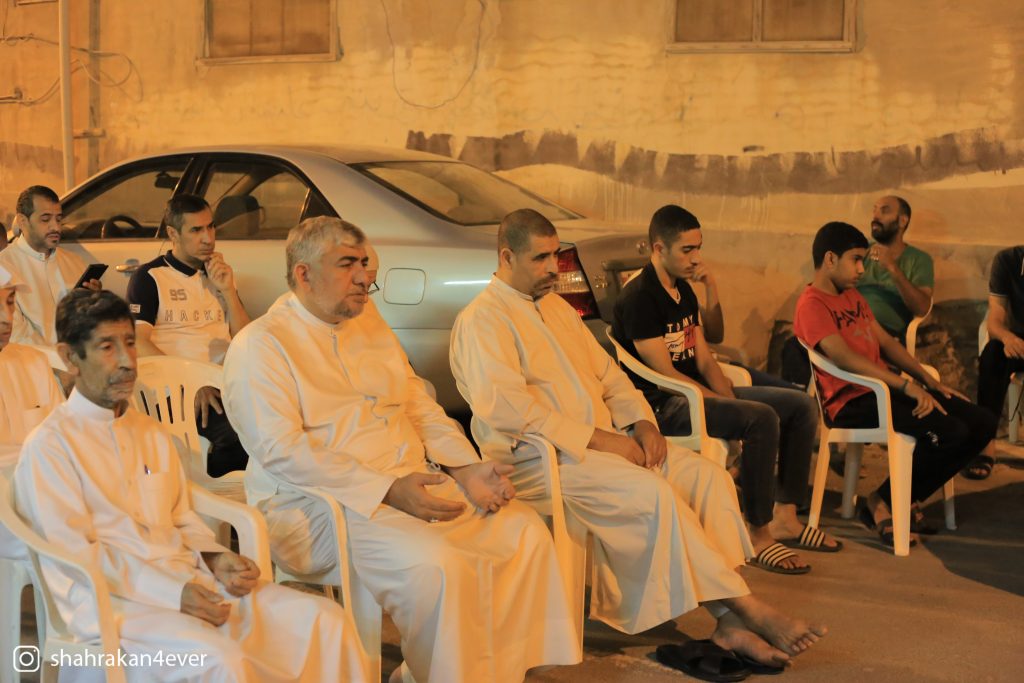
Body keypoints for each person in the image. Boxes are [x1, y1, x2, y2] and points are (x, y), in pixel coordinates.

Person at [451, 208, 827, 670]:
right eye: (541, 258)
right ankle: (746, 608)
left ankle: (729, 622)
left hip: (604, 446)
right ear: (507, 257)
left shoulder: (557, 309)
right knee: (653, 493)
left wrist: (642, 422)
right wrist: (603, 441)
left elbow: (612, 376)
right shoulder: (482, 320)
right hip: (540, 461)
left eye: (555, 256)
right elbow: (512, 413)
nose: (554, 269)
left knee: (708, 478)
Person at [223, 216, 580, 683]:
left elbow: (415, 401)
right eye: (347, 264)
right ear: (304, 274)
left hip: (408, 482)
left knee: (522, 530)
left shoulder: (366, 320)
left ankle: (496, 672)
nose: (363, 277)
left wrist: (466, 468)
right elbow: (282, 450)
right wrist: (388, 490)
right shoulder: (261, 344)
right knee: (440, 564)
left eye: (364, 263)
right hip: (319, 506)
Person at [14, 289, 368, 682]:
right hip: (114, 606)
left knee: (326, 621)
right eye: (107, 347)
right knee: (220, 660)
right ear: (69, 358)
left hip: (191, 579)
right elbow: (77, 556)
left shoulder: (149, 432)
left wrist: (216, 558)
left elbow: (180, 519)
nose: (128, 360)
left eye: (129, 342)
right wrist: (174, 594)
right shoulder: (50, 447)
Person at [611, 205, 838, 575]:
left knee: (800, 406)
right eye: (687, 250)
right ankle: (759, 534)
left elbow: (704, 359)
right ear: (658, 248)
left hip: (695, 393)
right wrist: (724, 404)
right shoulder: (640, 298)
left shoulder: (682, 289)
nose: (696, 258)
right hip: (665, 406)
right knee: (761, 419)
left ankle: (786, 516)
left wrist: (729, 400)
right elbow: (664, 374)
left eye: (698, 248)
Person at [793, 221, 996, 547]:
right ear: (830, 259)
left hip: (881, 390)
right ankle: (883, 503)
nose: (862, 269)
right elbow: (844, 358)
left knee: (981, 422)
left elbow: (886, 342)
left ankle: (904, 498)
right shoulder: (812, 304)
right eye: (855, 260)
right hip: (851, 402)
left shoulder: (852, 296)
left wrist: (925, 379)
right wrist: (904, 386)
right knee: (951, 433)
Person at [127, 194, 250, 477]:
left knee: (280, 417)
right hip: (178, 389)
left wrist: (228, 291)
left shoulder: (218, 275)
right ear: (173, 234)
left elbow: (246, 338)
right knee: (237, 435)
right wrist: (190, 383)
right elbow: (138, 341)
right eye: (196, 230)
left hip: (226, 383)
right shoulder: (151, 277)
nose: (208, 238)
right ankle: (220, 496)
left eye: (211, 227)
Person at [0, 264, 64, 560]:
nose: (6, 318)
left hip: (45, 493)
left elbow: (61, 440)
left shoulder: (32, 362)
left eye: (10, 302)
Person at [0, 185, 102, 346]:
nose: (56, 227)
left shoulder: (75, 263)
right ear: (22, 221)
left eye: (59, 219)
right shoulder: (3, 268)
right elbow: (16, 336)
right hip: (37, 360)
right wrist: (62, 358)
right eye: (45, 219)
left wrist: (95, 302)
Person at [973, 245, 1024, 479]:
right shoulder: (1008, 260)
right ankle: (986, 444)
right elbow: (994, 320)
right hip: (1018, 340)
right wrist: (1007, 337)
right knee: (993, 353)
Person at [856, 196, 934, 341]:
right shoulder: (861, 250)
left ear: (902, 221)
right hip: (849, 323)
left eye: (884, 211)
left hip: (886, 334)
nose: (876, 217)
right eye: (875, 210)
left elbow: (922, 308)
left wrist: (892, 267)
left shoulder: (920, 259)